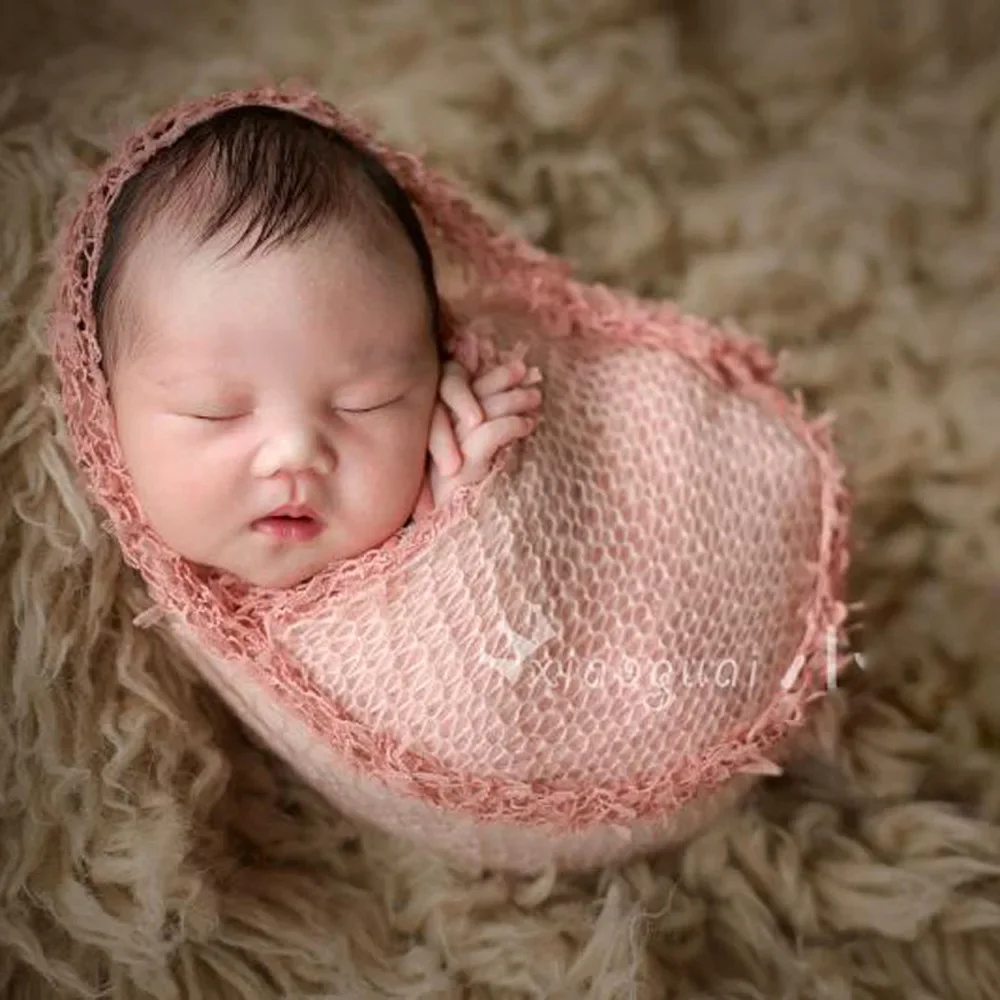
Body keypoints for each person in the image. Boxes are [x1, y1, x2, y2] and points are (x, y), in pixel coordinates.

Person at [92, 103, 543, 589]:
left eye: (367, 402)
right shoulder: (119, 601)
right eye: (214, 410)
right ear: (99, 409)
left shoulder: (487, 449)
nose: (297, 450)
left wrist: (462, 531)